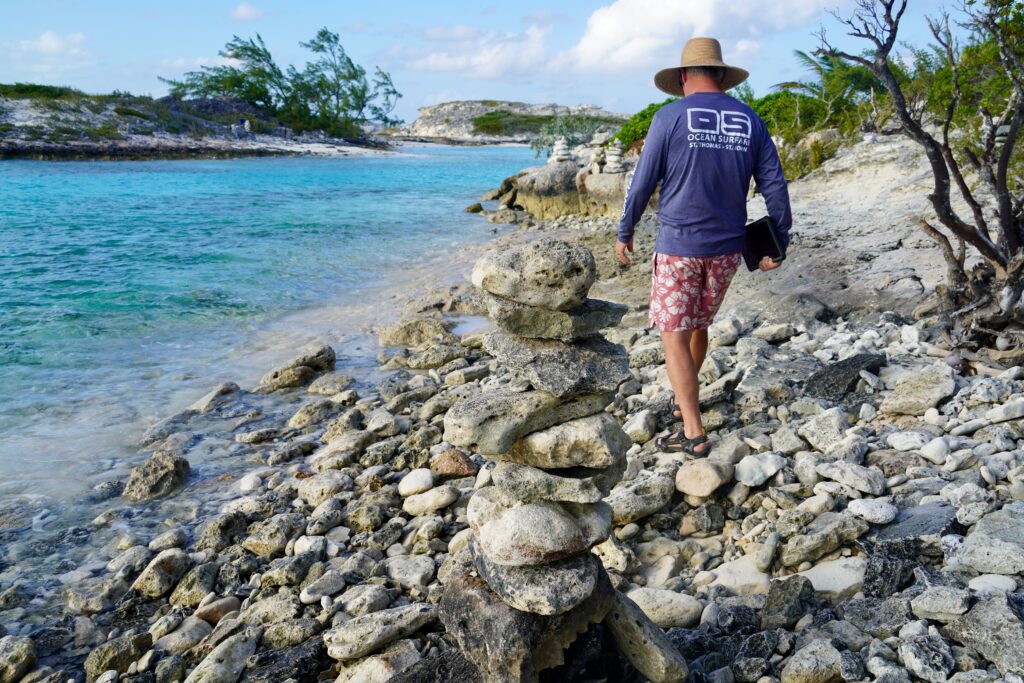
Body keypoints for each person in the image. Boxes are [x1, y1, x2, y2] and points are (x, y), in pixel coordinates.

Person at [615, 37, 792, 456]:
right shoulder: (750, 120)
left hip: (679, 246)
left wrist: (625, 230)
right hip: (727, 251)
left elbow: (641, 183)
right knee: (698, 325)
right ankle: (685, 402)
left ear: (682, 76)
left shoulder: (669, 116)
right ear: (722, 75)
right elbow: (775, 185)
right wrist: (778, 241)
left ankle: (692, 433)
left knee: (674, 335)